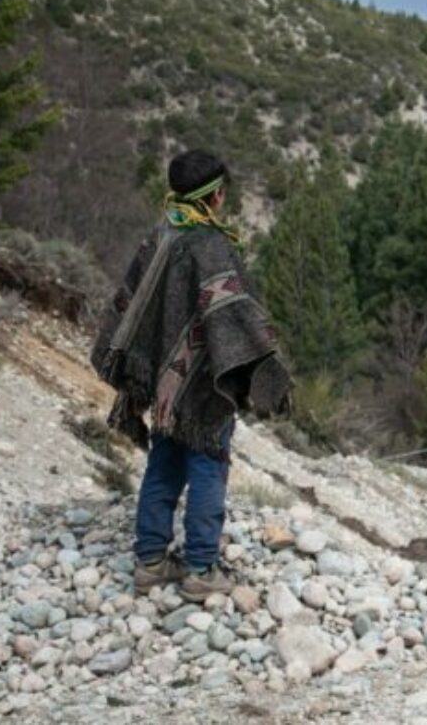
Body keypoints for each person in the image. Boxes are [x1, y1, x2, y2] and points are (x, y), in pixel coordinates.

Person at [91, 150, 291, 602]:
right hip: (203, 384)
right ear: (216, 196)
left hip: (163, 384)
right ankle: (201, 568)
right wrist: (268, 370)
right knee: (207, 465)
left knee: (163, 461)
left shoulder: (160, 235)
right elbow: (237, 318)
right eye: (224, 191)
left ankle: (150, 562)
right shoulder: (213, 247)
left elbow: (132, 307)